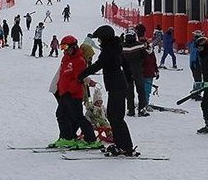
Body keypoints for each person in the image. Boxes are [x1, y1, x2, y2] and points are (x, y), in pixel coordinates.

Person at [78, 25, 137, 156]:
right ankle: (121, 144)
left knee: (116, 117)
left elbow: (98, 65)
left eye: (99, 38)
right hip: (117, 86)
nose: (98, 41)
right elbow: (125, 65)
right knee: (113, 116)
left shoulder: (109, 50)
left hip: (117, 86)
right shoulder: (115, 48)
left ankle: (126, 146)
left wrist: (81, 75)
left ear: (104, 38)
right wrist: (129, 80)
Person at [49, 35, 101, 149]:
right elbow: (63, 76)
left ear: (73, 46)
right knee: (61, 115)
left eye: (66, 47)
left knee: (78, 117)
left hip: (73, 94)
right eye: (62, 47)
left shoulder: (79, 61)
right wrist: (60, 88)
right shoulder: (66, 58)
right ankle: (67, 138)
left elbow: (79, 78)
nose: (65, 50)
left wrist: (69, 90)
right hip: (64, 93)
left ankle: (91, 139)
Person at [122, 29, 149, 117]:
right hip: (138, 71)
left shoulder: (122, 46)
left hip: (126, 72)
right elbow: (146, 57)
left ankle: (131, 110)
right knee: (141, 91)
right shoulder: (139, 46)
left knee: (129, 92)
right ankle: (142, 110)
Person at [187, 30, 204, 101]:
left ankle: (195, 92)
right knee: (198, 79)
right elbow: (194, 53)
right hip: (195, 63)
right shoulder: (195, 44)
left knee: (197, 78)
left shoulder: (193, 43)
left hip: (195, 63)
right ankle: (197, 93)